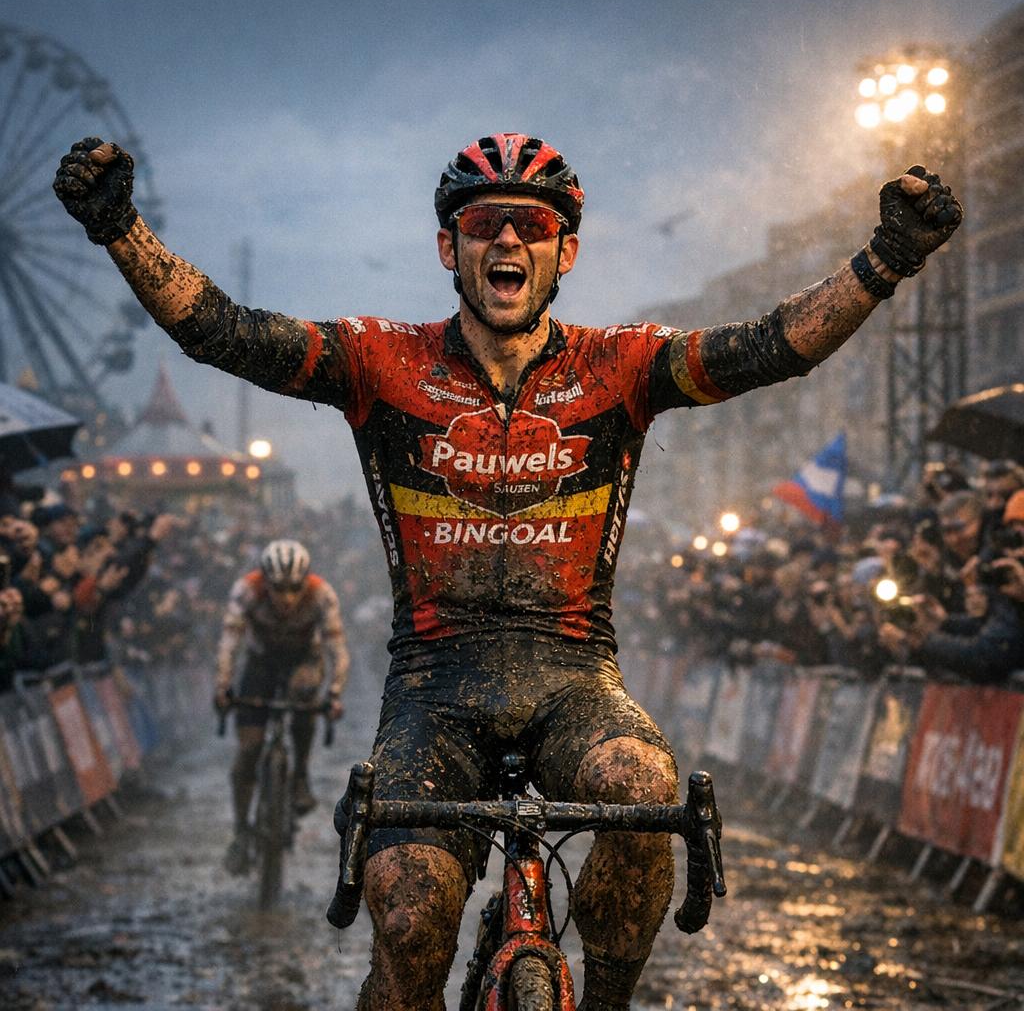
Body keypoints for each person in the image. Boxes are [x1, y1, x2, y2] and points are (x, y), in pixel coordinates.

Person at [54, 132, 962, 1010]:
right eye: (485, 222)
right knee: (409, 919)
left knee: (647, 792)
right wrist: (120, 230)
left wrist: (885, 259)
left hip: (575, 680)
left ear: (567, 251)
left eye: (533, 224)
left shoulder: (618, 365)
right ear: (448, 247)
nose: (508, 240)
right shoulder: (381, 360)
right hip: (433, 692)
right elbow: (226, 333)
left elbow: (769, 347)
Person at [214, 539, 349, 875]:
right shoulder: (247, 590)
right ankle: (241, 831)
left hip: (304, 660)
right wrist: (223, 685)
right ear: (265, 581)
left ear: (305, 581)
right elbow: (229, 642)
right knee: (249, 749)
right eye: (278, 589)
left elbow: (337, 649)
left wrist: (334, 692)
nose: (286, 598)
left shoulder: (321, 594)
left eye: (294, 589)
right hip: (260, 662)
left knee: (305, 696)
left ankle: (300, 774)